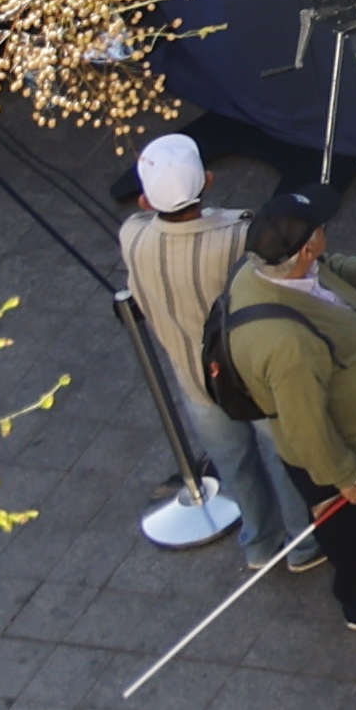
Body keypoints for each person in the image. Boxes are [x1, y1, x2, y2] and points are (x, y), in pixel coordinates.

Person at [214, 193, 356, 636]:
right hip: (343, 447)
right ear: (305, 249)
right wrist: (347, 477)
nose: (325, 233)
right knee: (355, 533)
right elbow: (305, 425)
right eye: (318, 229)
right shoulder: (286, 347)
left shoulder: (263, 267)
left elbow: (329, 271)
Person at [115, 130, 303, 555]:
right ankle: (304, 546)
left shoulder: (133, 235)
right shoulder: (240, 234)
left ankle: (259, 543)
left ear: (145, 201)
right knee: (284, 460)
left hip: (194, 382)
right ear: (209, 180)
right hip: (252, 382)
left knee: (236, 467)